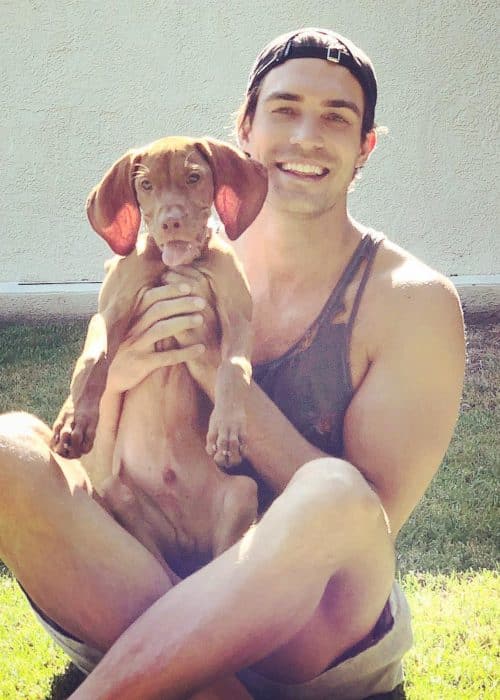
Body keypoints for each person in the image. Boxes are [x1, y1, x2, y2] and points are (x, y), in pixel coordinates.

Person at [0, 27, 465, 700]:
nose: (307, 134)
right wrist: (122, 375)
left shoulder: (411, 301)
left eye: (336, 117)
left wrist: (215, 370)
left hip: (302, 622)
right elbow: (96, 479)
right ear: (243, 129)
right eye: (284, 109)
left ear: (364, 148)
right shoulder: (153, 263)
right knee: (10, 446)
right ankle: (203, 684)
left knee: (332, 492)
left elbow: (362, 526)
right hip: (148, 568)